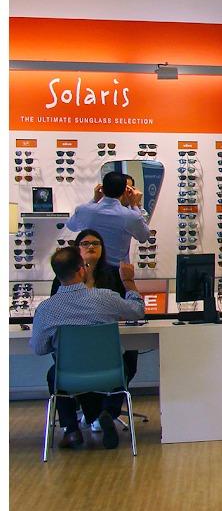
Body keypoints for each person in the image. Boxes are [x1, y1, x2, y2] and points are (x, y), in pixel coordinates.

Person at [30, 246, 145, 450]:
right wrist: (128, 282)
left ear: (57, 274)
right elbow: (137, 311)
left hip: (68, 377)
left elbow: (39, 349)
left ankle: (71, 430)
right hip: (110, 374)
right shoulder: (106, 297)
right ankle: (108, 413)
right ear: (81, 269)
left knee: (53, 374)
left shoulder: (46, 309)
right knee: (125, 366)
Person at [49, 229, 141, 430]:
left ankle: (76, 426)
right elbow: (134, 309)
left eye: (96, 243)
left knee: (128, 359)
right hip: (96, 353)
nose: (91, 246)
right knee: (118, 366)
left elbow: (41, 344)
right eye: (85, 243)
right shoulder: (65, 279)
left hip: (92, 351)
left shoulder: (113, 275)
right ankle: (103, 413)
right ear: (77, 249)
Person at [65, 172, 150, 266]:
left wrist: (94, 200)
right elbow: (144, 236)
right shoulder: (130, 216)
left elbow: (71, 226)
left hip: (90, 268)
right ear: (124, 192)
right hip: (116, 270)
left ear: (102, 189)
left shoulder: (84, 210)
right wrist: (135, 205)